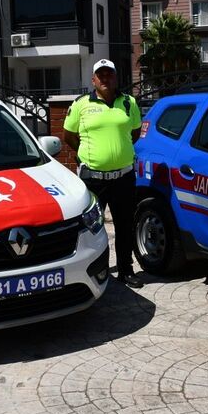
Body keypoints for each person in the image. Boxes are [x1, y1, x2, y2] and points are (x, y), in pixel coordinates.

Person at [63, 59, 144, 288]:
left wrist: (118, 151)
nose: (105, 79)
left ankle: (126, 270)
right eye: (101, 75)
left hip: (124, 178)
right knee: (92, 229)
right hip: (93, 180)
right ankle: (96, 270)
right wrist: (87, 155)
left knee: (124, 226)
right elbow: (69, 135)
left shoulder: (129, 103)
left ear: (116, 78)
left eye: (109, 74)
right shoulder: (81, 104)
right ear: (93, 80)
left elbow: (134, 133)